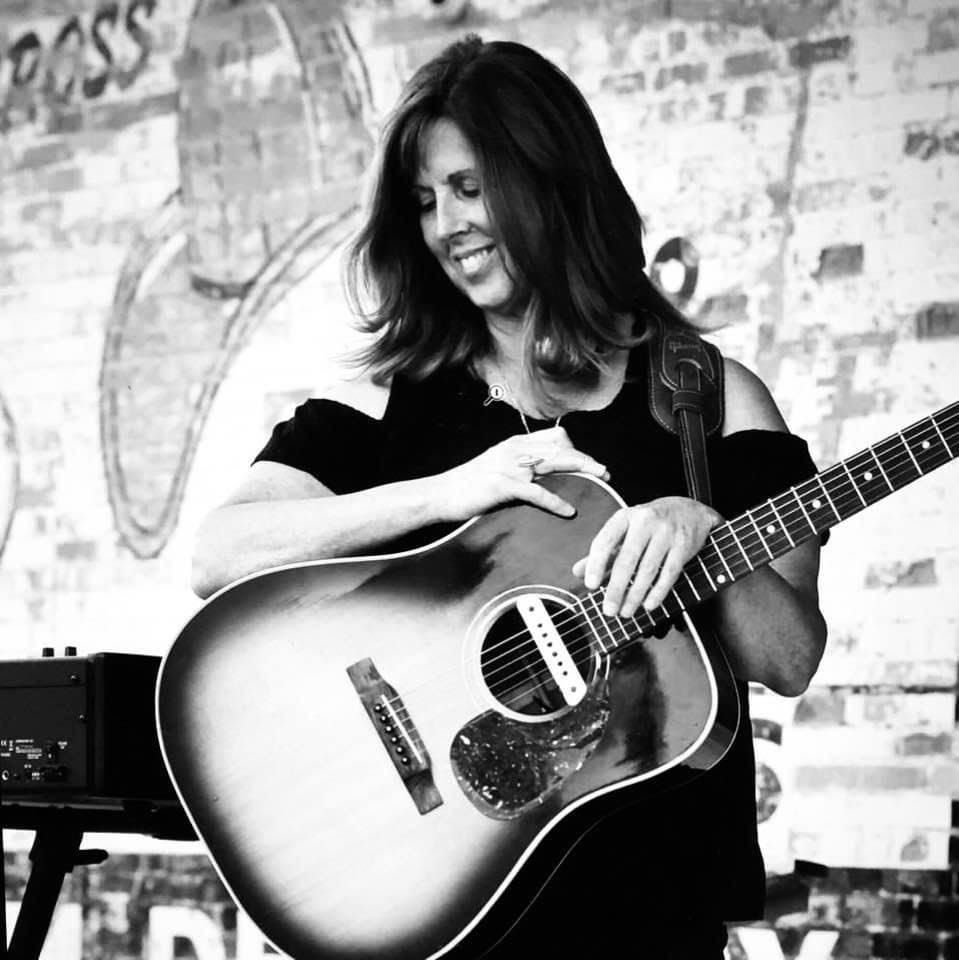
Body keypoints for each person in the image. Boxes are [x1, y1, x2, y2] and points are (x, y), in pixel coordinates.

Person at [191, 34, 827, 958]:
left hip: (654, 912)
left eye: (468, 187)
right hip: (453, 910)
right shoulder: (395, 397)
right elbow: (219, 554)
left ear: (552, 182)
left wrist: (700, 526)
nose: (445, 225)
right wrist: (446, 492)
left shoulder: (708, 399)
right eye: (424, 201)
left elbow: (790, 657)